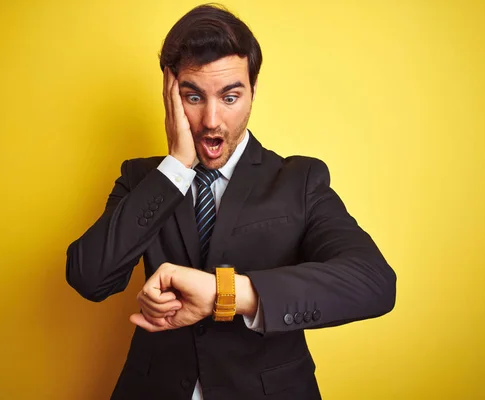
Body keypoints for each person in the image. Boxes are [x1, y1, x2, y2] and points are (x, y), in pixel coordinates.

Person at [66, 4, 396, 400]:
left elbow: (373, 281)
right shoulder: (143, 180)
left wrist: (228, 294)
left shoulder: (299, 180)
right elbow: (89, 277)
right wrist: (176, 167)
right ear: (170, 95)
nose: (210, 120)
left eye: (230, 96)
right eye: (192, 96)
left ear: (253, 91)